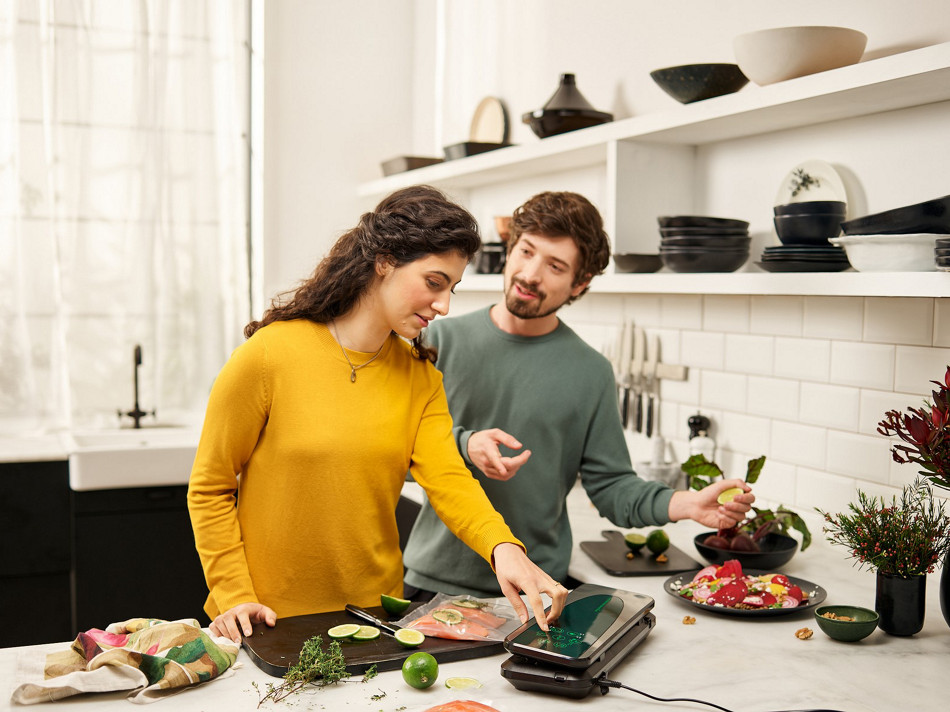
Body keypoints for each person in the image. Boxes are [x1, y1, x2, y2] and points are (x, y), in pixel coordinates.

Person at [187, 185, 568, 643]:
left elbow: (449, 481)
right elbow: (210, 487)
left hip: (373, 619)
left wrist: (504, 548)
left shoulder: (420, 378)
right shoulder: (268, 356)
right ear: (384, 261)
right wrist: (233, 594)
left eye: (451, 287)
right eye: (433, 282)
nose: (444, 305)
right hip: (265, 617)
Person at [402, 191, 755, 598]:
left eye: (555, 266)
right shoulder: (437, 340)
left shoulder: (591, 372)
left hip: (538, 589)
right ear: (510, 250)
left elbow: (611, 487)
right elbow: (397, 454)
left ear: (579, 283)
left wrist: (687, 505)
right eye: (526, 251)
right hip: (431, 583)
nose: (531, 274)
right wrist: (465, 445)